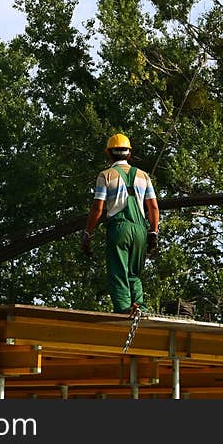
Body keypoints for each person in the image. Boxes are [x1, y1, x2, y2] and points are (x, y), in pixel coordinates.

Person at [81, 133, 160, 316]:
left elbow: (97, 209)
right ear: (129, 154)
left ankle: (124, 311)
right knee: (134, 273)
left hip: (119, 229)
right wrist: (153, 232)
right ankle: (139, 307)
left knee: (118, 272)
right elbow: (154, 208)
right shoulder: (143, 176)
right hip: (140, 230)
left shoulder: (106, 175)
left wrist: (88, 233)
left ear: (109, 154)